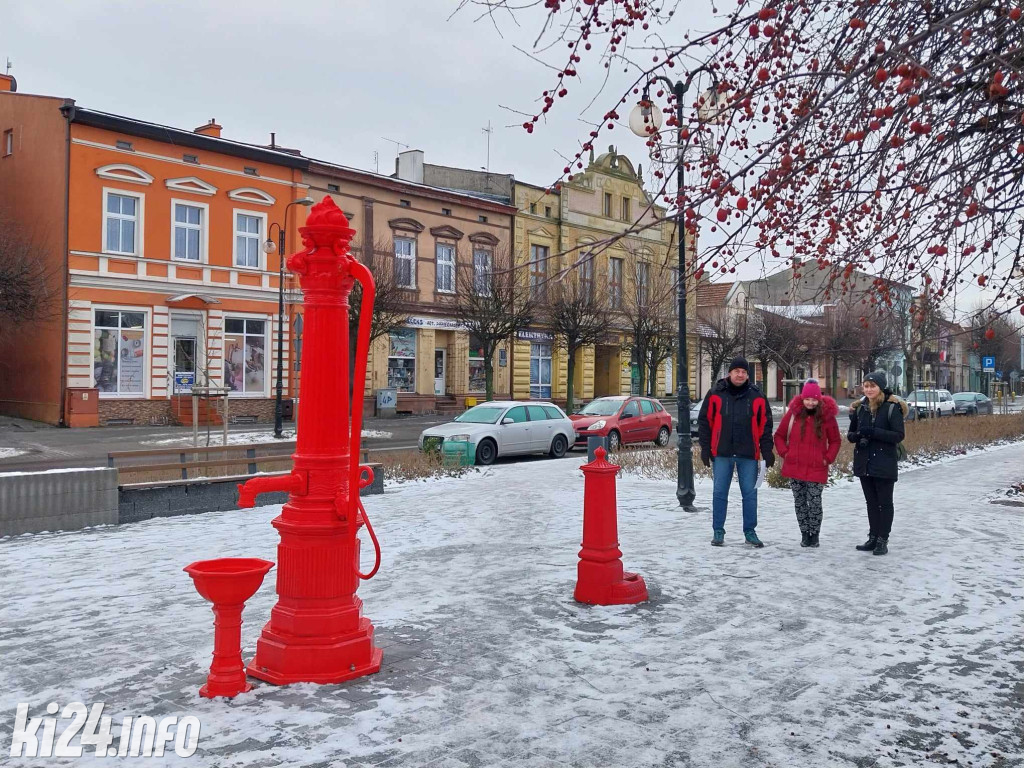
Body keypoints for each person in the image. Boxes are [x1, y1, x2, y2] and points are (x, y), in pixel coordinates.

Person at [698, 356, 775, 548]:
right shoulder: (715, 393)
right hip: (722, 452)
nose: (740, 375)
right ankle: (718, 530)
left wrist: (767, 450)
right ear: (729, 373)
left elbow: (765, 425)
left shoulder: (757, 396)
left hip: (748, 454)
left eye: (744, 372)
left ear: (747, 375)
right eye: (737, 371)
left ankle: (750, 531)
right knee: (719, 492)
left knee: (750, 494)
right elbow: (705, 422)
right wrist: (706, 448)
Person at [773, 379, 841, 548]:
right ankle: (805, 534)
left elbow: (835, 441)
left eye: (814, 399)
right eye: (807, 399)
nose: (810, 402)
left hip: (817, 467)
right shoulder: (793, 415)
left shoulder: (827, 417)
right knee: (800, 502)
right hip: (795, 466)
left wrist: (827, 458)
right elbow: (779, 436)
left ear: (819, 399)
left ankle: (814, 534)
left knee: (815, 502)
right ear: (802, 398)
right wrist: (785, 453)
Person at [848, 371, 907, 556]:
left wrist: (873, 432)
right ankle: (873, 537)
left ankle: (883, 539)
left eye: (872, 386)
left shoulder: (892, 407)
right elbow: (850, 435)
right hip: (864, 462)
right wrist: (857, 435)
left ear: (880, 387)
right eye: (866, 386)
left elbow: (898, 435)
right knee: (871, 503)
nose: (868, 389)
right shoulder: (860, 407)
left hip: (884, 462)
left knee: (884, 503)